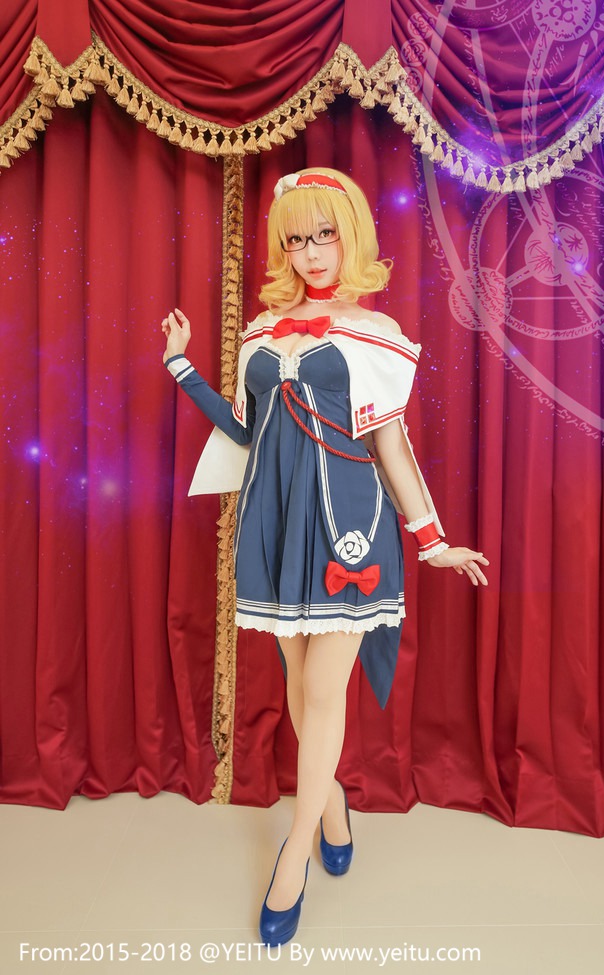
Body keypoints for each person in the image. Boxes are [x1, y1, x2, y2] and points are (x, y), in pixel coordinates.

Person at [161, 167, 488, 947]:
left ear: (351, 238)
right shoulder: (259, 333)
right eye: (296, 239)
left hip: (349, 525)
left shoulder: (374, 334)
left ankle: (295, 851)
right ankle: (331, 801)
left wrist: (432, 539)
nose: (310, 252)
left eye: (324, 235)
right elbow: (245, 432)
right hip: (276, 524)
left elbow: (391, 445)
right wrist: (181, 367)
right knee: (299, 682)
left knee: (322, 691)